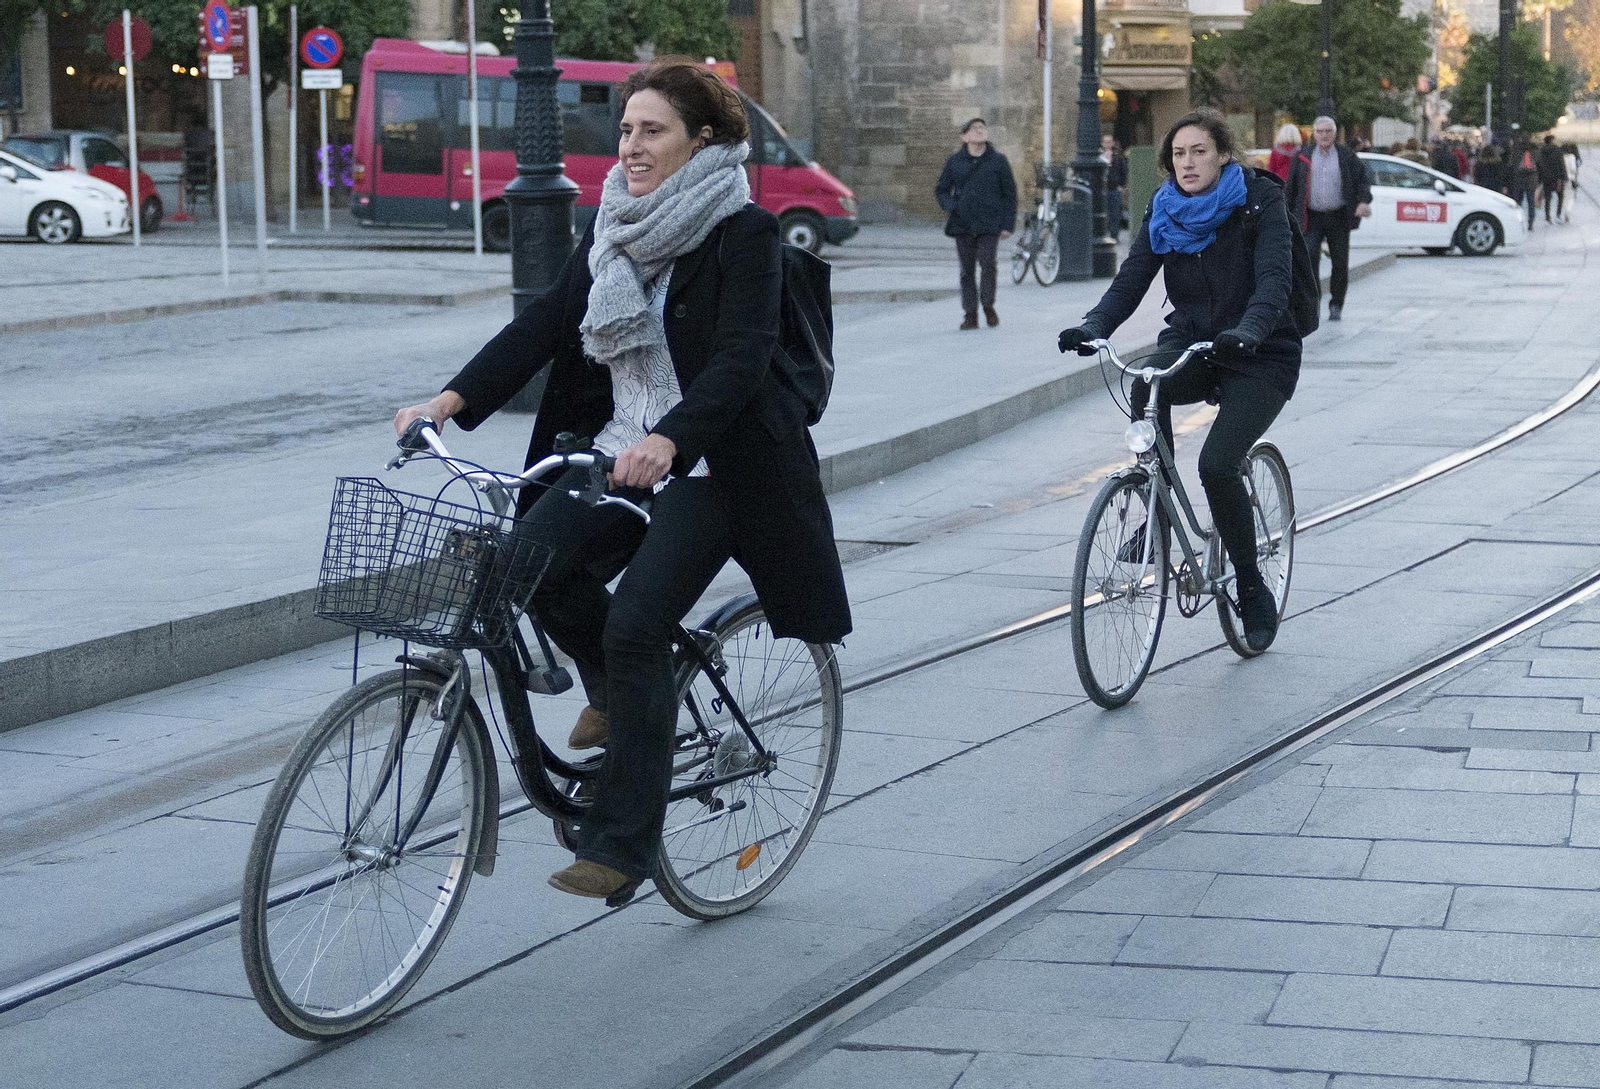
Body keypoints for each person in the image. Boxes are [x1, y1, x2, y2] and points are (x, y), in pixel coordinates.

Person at [392, 57, 852, 902]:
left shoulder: (742, 232)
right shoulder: (615, 222)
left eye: (652, 131)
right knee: (525, 566)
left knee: (638, 622)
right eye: (627, 130)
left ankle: (622, 842)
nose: (631, 146)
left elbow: (744, 359)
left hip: (716, 462)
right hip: (619, 445)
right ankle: (612, 692)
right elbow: (546, 321)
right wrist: (450, 400)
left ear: (701, 140)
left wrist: (674, 440)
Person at [1057, 108, 1301, 653]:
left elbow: (1273, 280)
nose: (1187, 163)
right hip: (1195, 342)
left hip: (1260, 351)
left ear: (1222, 156)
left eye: (1199, 152)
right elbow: (1132, 279)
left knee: (1217, 464)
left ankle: (1250, 584)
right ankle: (1159, 510)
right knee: (1147, 382)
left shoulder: (1260, 203)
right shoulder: (1164, 208)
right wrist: (1093, 326)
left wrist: (1252, 328)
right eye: (1178, 154)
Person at [1285, 116, 1372, 322]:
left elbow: (1363, 180)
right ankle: (1313, 304)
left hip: (1338, 216)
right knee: (1310, 260)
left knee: (1340, 262)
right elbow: (1291, 188)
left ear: (1334, 133)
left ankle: (1336, 304)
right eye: (1320, 131)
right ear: (1314, 134)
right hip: (1311, 217)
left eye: (1328, 131)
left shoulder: (1346, 156)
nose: (1324, 135)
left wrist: (1364, 201)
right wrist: (1287, 214)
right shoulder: (1303, 156)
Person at [935, 118, 1018, 329]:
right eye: (974, 128)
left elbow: (1010, 194)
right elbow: (941, 189)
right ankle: (970, 313)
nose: (980, 131)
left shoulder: (998, 161)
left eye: (982, 127)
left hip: (990, 223)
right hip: (963, 223)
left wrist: (1007, 224)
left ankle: (988, 304)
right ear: (965, 137)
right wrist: (952, 206)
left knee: (988, 264)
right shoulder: (955, 161)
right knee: (966, 270)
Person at [1103, 133, 1129, 241]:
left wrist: (1121, 185)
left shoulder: (1118, 158)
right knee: (1103, 214)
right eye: (1105, 141)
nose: (1108, 144)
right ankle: (1104, 235)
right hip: (1103, 190)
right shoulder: (1099, 157)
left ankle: (1114, 236)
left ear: (1113, 143)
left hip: (1115, 189)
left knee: (1115, 214)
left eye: (1110, 141)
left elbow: (1124, 172)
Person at [1511, 134, 1540, 230]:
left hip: (1519, 179)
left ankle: (1517, 221)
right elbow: (1539, 165)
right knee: (1531, 202)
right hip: (1531, 179)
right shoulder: (1535, 151)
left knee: (1518, 201)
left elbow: (1511, 165)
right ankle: (1530, 222)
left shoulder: (1516, 150)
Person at [1538, 134, 1569, 223]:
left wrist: (1539, 178)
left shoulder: (1541, 151)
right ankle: (1558, 214)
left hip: (1546, 177)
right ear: (1552, 140)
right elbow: (1561, 164)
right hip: (1557, 178)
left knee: (1547, 197)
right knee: (1560, 196)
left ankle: (1547, 216)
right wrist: (1564, 176)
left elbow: (1539, 164)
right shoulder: (1557, 150)